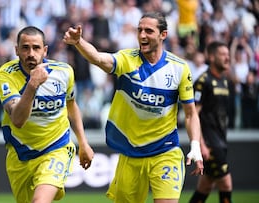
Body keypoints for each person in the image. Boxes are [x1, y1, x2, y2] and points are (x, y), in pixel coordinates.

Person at [63, 11, 204, 203]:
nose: (142, 35)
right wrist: (79, 42)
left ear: (163, 35)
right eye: (139, 30)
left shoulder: (179, 68)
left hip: (165, 150)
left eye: (148, 31)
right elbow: (98, 58)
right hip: (131, 153)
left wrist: (195, 144)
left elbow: (190, 114)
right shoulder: (127, 59)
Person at [0, 26, 94, 203]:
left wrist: (83, 143)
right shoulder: (5, 75)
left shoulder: (64, 72)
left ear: (45, 50)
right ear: (16, 50)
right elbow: (17, 120)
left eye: (36, 48)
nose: (31, 53)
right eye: (25, 48)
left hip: (56, 148)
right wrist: (33, 84)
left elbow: (71, 105)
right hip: (20, 153)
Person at [189, 41, 233, 203]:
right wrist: (200, 144)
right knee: (226, 185)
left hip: (221, 139)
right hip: (210, 143)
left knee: (205, 186)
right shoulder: (203, 82)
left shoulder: (224, 80)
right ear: (212, 57)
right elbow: (194, 114)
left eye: (228, 54)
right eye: (223, 54)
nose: (227, 58)